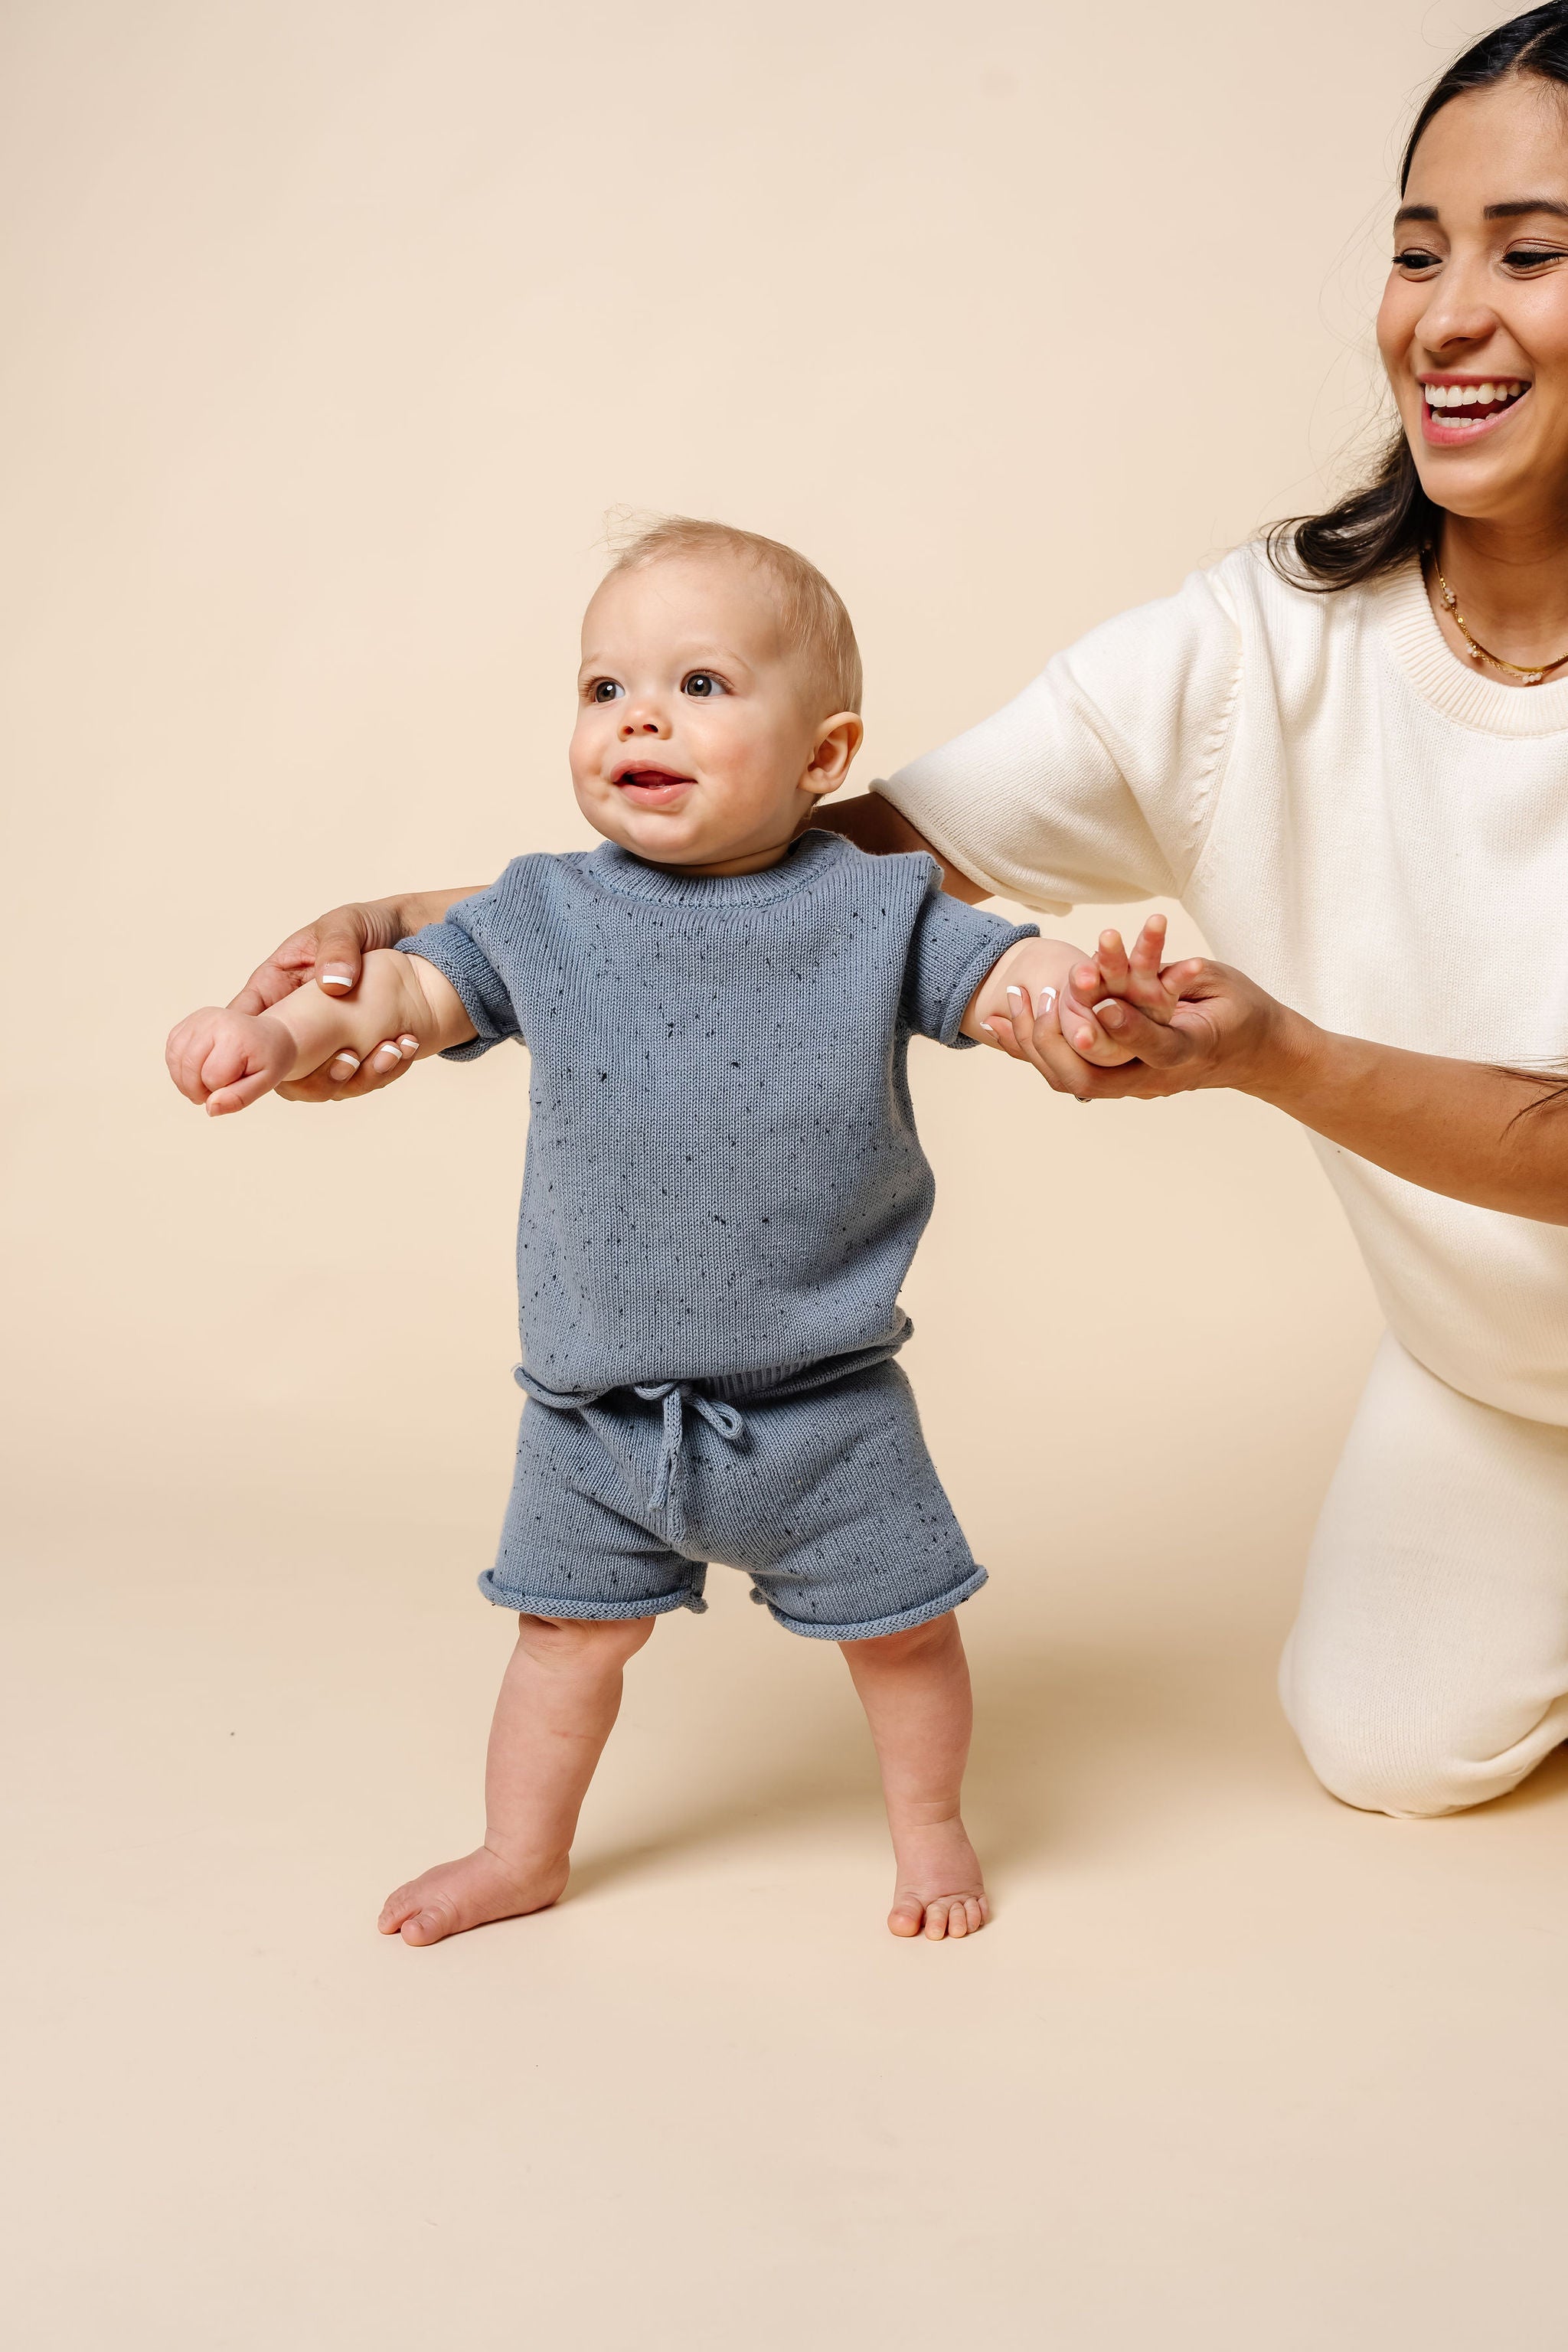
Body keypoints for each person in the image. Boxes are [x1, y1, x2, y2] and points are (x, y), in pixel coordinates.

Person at [234, 11, 1568, 1824]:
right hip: (1490, 1374)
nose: (1447, 315)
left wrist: (1279, 1056)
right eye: (1418, 250)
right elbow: (829, 863)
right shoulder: (1258, 638)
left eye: (1531, 253)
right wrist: (425, 940)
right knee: (1391, 1750)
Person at [167, 517, 1181, 1943]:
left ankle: (931, 1830)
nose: (638, 715)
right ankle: (520, 1849)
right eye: (603, 689)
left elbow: (1004, 974)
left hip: (826, 1411)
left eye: (701, 685)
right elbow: (390, 996)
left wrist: (1080, 994)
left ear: (824, 757)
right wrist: (265, 1031)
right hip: (595, 1415)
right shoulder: (546, 913)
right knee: (561, 1645)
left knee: (905, 1639)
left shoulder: (879, 905)